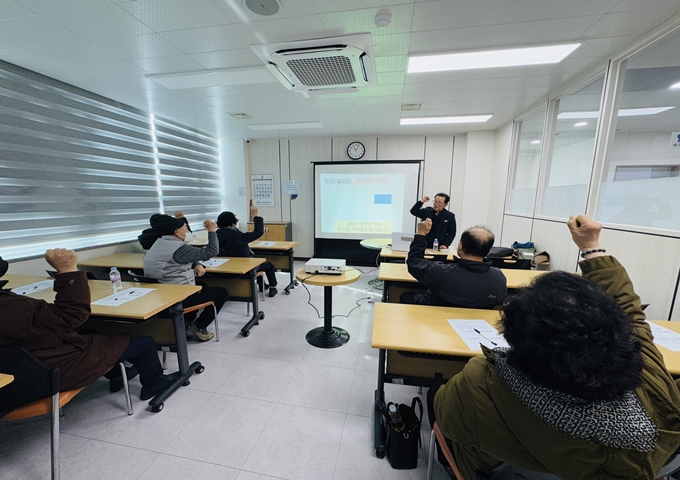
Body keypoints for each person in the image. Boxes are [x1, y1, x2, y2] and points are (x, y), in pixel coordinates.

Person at [429, 214, 680, 480]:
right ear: (618, 335)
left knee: (436, 395)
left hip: (492, 470)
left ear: (517, 340)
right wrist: (591, 247)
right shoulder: (654, 384)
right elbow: (631, 313)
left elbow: (447, 417)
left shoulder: (477, 385)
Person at [0, 249, 174, 401]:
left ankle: (116, 374)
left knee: (89, 332)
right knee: (145, 343)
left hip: (21, 370)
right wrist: (68, 271)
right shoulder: (12, 307)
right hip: (50, 371)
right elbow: (72, 315)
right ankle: (154, 384)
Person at [142, 214, 228, 341]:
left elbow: (181, 257)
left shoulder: (160, 243)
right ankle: (197, 327)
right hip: (176, 296)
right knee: (221, 293)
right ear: (177, 232)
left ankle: (186, 322)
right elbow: (212, 251)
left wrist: (197, 264)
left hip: (162, 293)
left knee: (202, 287)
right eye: (186, 229)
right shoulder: (178, 248)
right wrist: (211, 230)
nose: (188, 231)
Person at [400, 219, 507, 309]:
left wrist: (421, 234)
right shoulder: (498, 277)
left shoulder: (440, 271)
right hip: (479, 322)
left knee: (406, 296)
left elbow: (414, 262)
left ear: (460, 246)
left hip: (437, 319)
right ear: (488, 252)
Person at [216, 206, 278, 297]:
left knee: (255, 262)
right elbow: (258, 232)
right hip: (243, 268)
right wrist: (256, 216)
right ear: (233, 222)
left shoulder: (215, 235)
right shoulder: (237, 235)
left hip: (224, 267)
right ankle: (273, 287)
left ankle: (262, 285)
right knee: (268, 265)